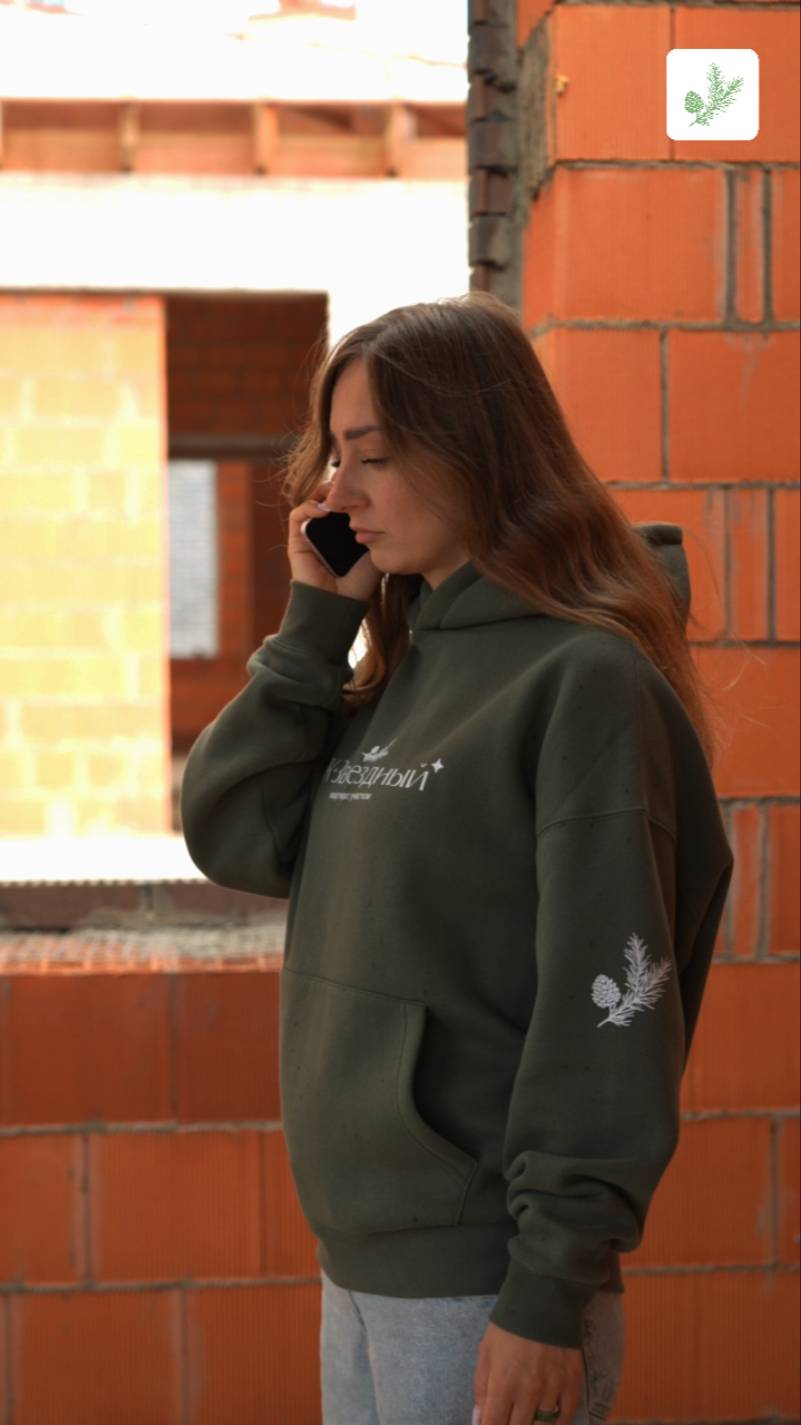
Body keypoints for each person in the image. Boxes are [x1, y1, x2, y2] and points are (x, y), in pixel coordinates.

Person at [180, 292, 735, 1425]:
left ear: (480, 453)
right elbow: (235, 830)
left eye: (374, 457)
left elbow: (611, 1009)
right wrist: (314, 627)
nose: (336, 493)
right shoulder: (407, 668)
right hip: (361, 1257)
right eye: (335, 456)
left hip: (485, 1282)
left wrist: (548, 1292)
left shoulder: (582, 682)